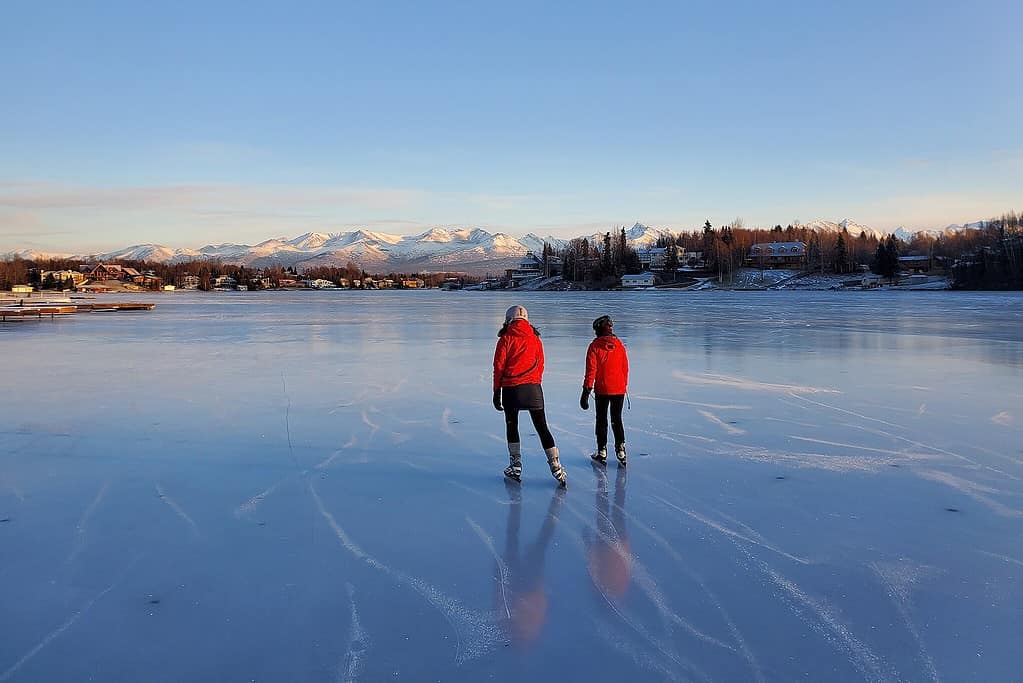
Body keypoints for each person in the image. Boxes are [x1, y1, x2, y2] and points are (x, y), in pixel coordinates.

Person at [493, 305, 567, 486]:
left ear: (508, 319)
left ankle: (515, 466)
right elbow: (540, 364)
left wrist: (497, 391)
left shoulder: (506, 339)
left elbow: (499, 367)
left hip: (511, 389)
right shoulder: (535, 339)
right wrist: (534, 381)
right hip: (533, 389)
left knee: (512, 426)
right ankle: (556, 466)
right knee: (542, 428)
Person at [579, 315, 629, 466]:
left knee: (601, 420)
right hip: (619, 389)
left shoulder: (594, 346)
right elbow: (625, 368)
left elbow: (590, 371)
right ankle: (621, 450)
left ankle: (602, 451)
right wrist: (623, 385)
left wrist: (586, 392)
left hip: (602, 390)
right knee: (617, 419)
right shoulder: (619, 345)